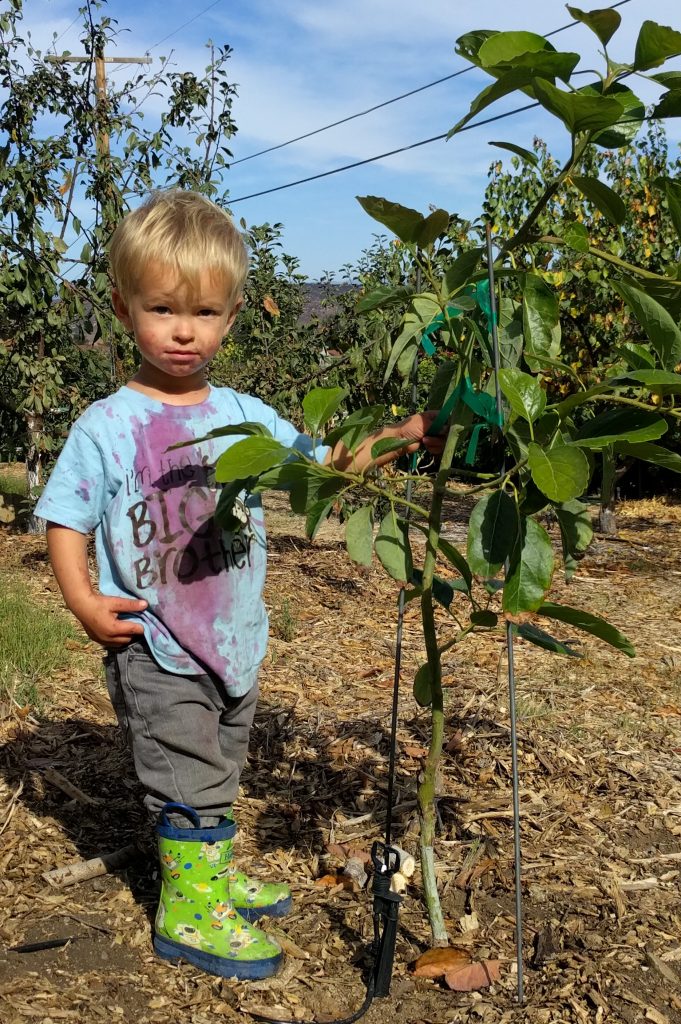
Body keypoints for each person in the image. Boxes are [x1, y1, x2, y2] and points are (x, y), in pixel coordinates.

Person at [35, 189, 444, 981]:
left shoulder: (245, 416)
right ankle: (188, 913)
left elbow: (322, 461)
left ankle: (211, 878)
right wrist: (84, 601)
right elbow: (65, 519)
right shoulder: (108, 425)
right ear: (123, 308)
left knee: (221, 765)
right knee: (183, 774)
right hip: (156, 642)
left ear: (231, 316)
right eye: (161, 308)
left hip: (233, 640)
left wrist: (409, 433)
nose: (183, 330)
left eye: (205, 312)